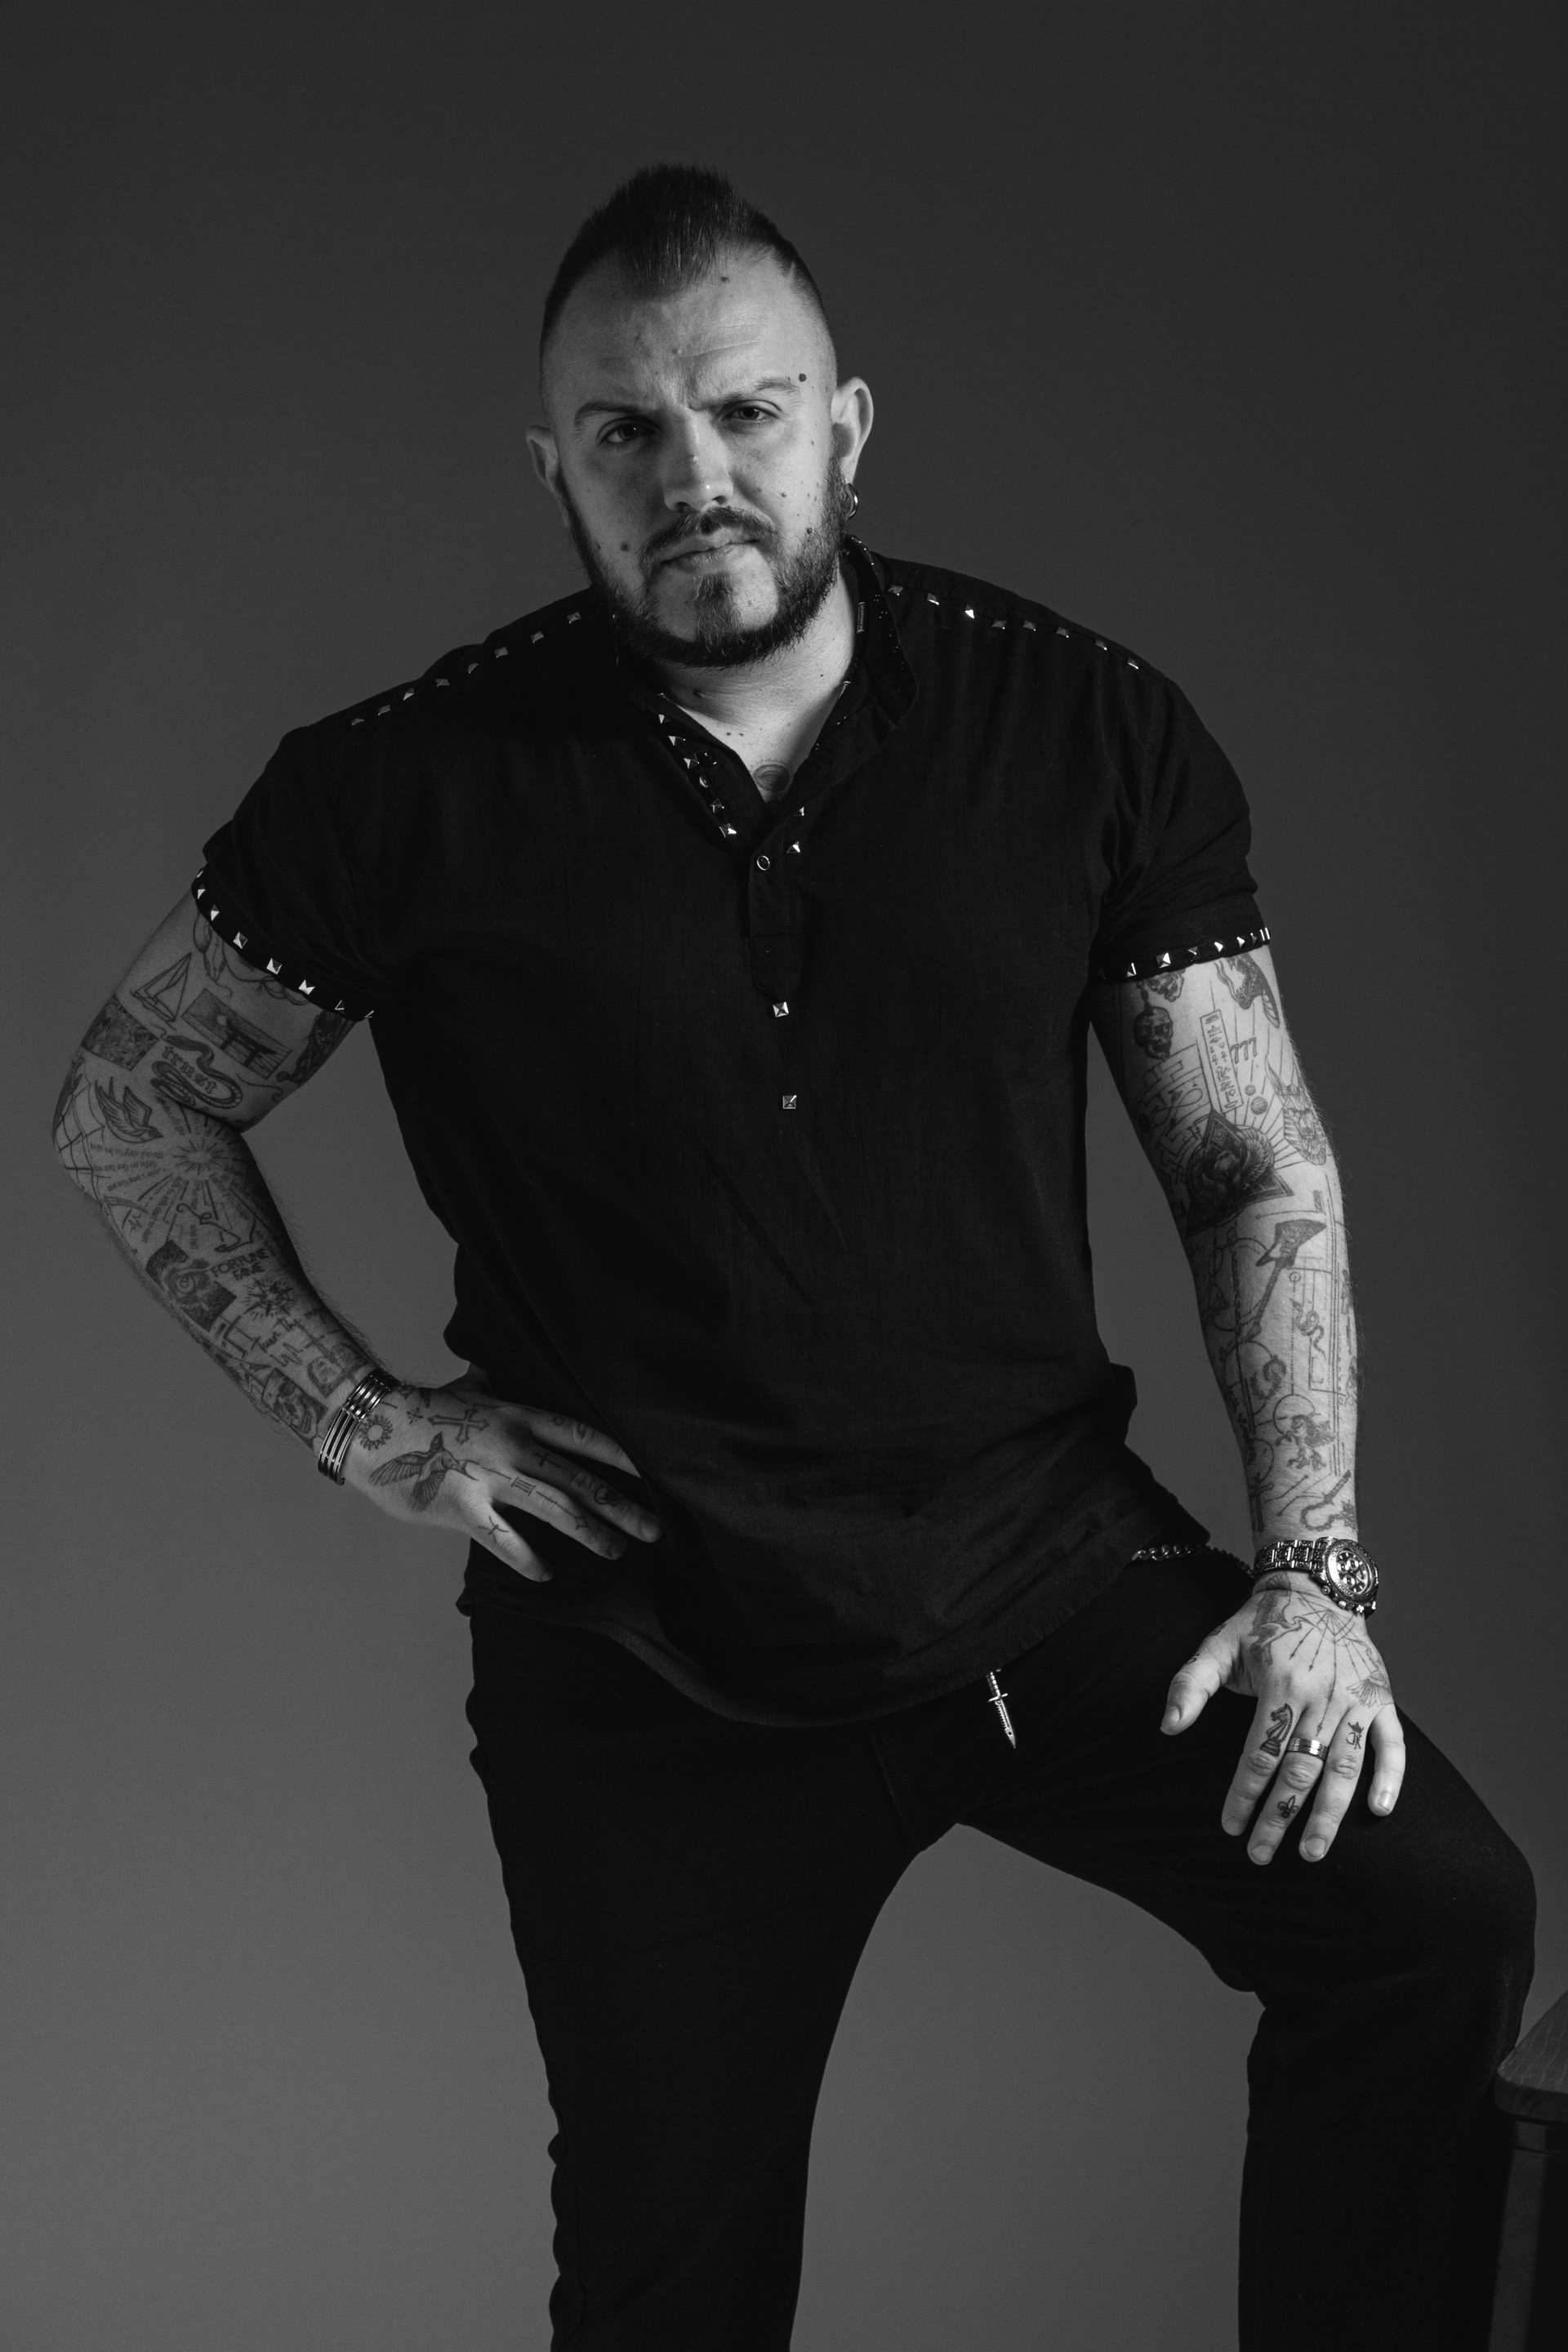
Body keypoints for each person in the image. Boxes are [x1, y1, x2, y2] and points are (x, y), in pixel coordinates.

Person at [54, 164, 1532, 2350]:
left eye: (745, 413)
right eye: (627, 432)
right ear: (553, 468)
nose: (696, 479)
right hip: (653, 1645)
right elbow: (130, 1099)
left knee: (1429, 1920)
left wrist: (1313, 1569)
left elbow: (1248, 1162)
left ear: (847, 425)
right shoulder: (398, 788)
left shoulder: (1083, 729)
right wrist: (362, 1422)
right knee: (669, 2288)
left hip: (1046, 1573)